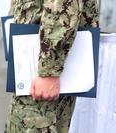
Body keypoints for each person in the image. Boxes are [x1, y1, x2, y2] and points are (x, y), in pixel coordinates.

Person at [6, 0, 99, 132]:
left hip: (42, 71)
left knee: (36, 124)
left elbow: (61, 10)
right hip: (30, 64)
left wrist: (49, 72)